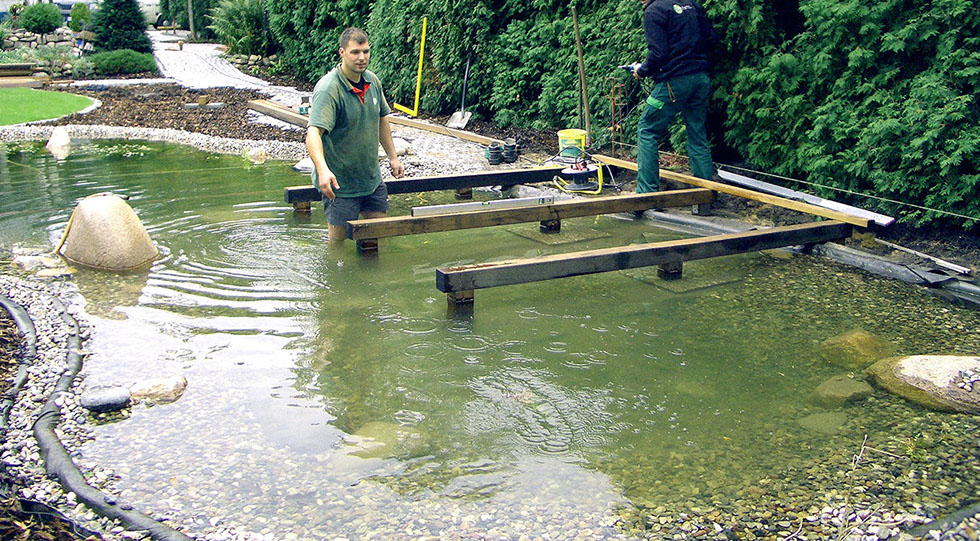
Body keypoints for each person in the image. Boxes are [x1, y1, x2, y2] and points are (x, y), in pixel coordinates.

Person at [306, 27, 404, 245]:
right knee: (338, 247)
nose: (362, 58)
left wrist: (393, 156)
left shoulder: (373, 81)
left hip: (370, 178)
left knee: (374, 238)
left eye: (366, 51)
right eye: (355, 52)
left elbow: (381, 119)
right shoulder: (329, 89)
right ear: (342, 53)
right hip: (340, 184)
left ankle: (372, 277)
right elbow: (313, 132)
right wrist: (322, 171)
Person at [632, 0, 718, 193]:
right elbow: (711, 38)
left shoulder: (654, 11)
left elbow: (659, 53)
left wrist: (641, 70)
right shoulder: (691, 4)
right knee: (697, 134)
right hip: (701, 79)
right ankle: (704, 195)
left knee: (647, 130)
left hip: (674, 83)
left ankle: (647, 193)